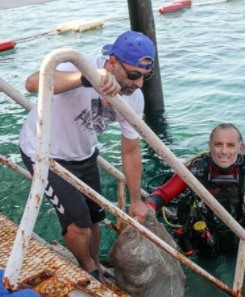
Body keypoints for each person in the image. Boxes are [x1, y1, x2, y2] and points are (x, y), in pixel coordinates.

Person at [18, 30, 155, 281]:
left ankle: (96, 267)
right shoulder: (79, 64)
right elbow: (31, 83)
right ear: (112, 62)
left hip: (84, 154)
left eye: (145, 76)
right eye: (134, 75)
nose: (138, 84)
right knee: (78, 225)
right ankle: (89, 270)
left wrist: (136, 200)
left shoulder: (134, 98)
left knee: (95, 218)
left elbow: (131, 149)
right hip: (45, 153)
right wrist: (86, 78)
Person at [145, 123, 245, 260]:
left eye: (230, 145)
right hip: (204, 241)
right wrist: (148, 207)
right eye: (218, 144)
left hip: (243, 243)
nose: (224, 151)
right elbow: (161, 194)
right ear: (209, 145)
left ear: (240, 147)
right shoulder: (194, 172)